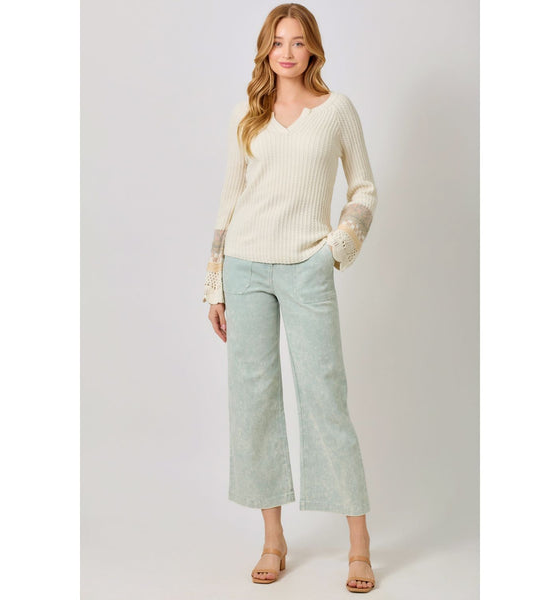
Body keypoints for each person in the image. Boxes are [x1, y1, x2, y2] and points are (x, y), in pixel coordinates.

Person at [202, 3, 377, 593]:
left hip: (307, 267)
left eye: (298, 42)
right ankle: (273, 539)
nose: (287, 52)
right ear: (265, 50)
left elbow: (364, 187)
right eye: (277, 42)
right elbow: (228, 203)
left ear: (313, 50)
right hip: (246, 267)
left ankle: (359, 545)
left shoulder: (336, 111)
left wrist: (337, 247)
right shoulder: (246, 116)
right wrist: (215, 284)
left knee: (325, 397)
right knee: (253, 403)